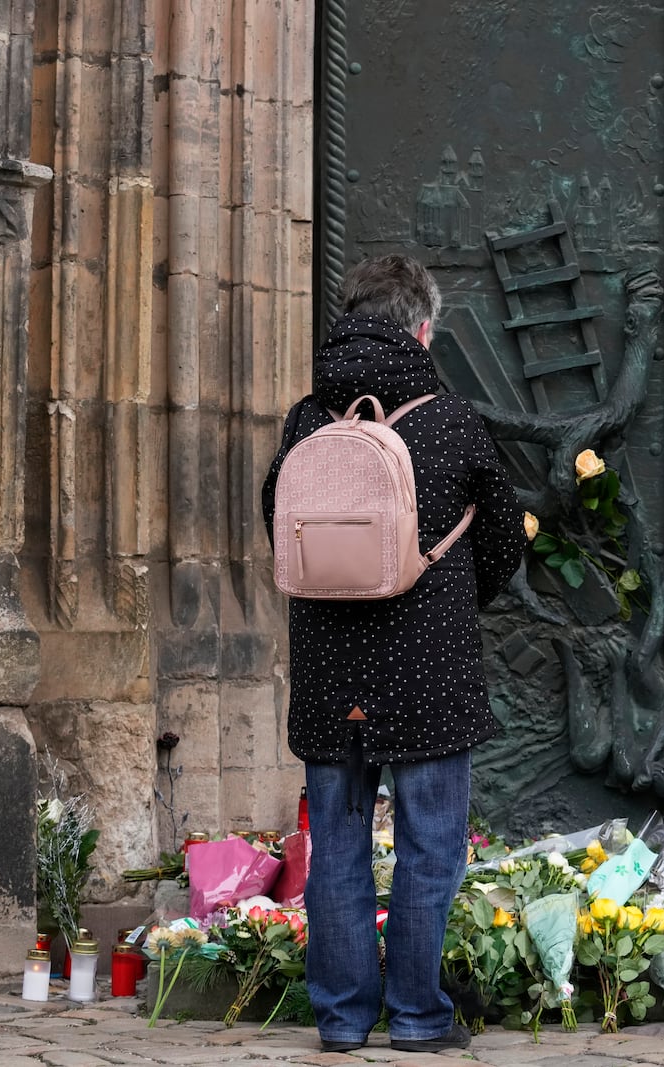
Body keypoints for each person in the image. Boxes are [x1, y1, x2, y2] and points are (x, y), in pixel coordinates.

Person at [261, 254, 525, 1053]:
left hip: (328, 674)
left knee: (336, 849)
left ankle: (341, 1019)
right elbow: (505, 543)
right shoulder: (449, 420)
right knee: (429, 846)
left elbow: (275, 523)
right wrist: (441, 596)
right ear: (421, 328)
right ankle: (416, 1016)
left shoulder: (308, 419)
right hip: (430, 672)